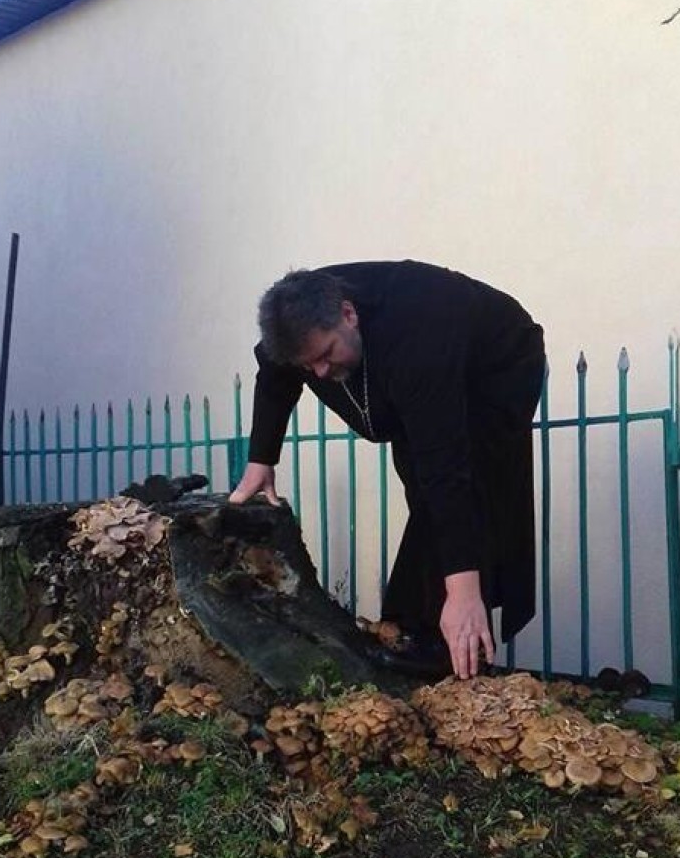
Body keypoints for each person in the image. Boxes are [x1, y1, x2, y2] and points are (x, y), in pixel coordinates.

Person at [229, 260, 545, 679]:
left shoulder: (417, 336)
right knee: (425, 493)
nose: (320, 373)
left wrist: (464, 591)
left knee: (468, 480)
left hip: (498, 364)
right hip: (423, 374)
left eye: (325, 355)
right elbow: (274, 375)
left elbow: (446, 470)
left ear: (348, 314)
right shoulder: (296, 330)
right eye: (308, 366)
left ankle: (436, 636)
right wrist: (261, 460)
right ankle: (414, 627)